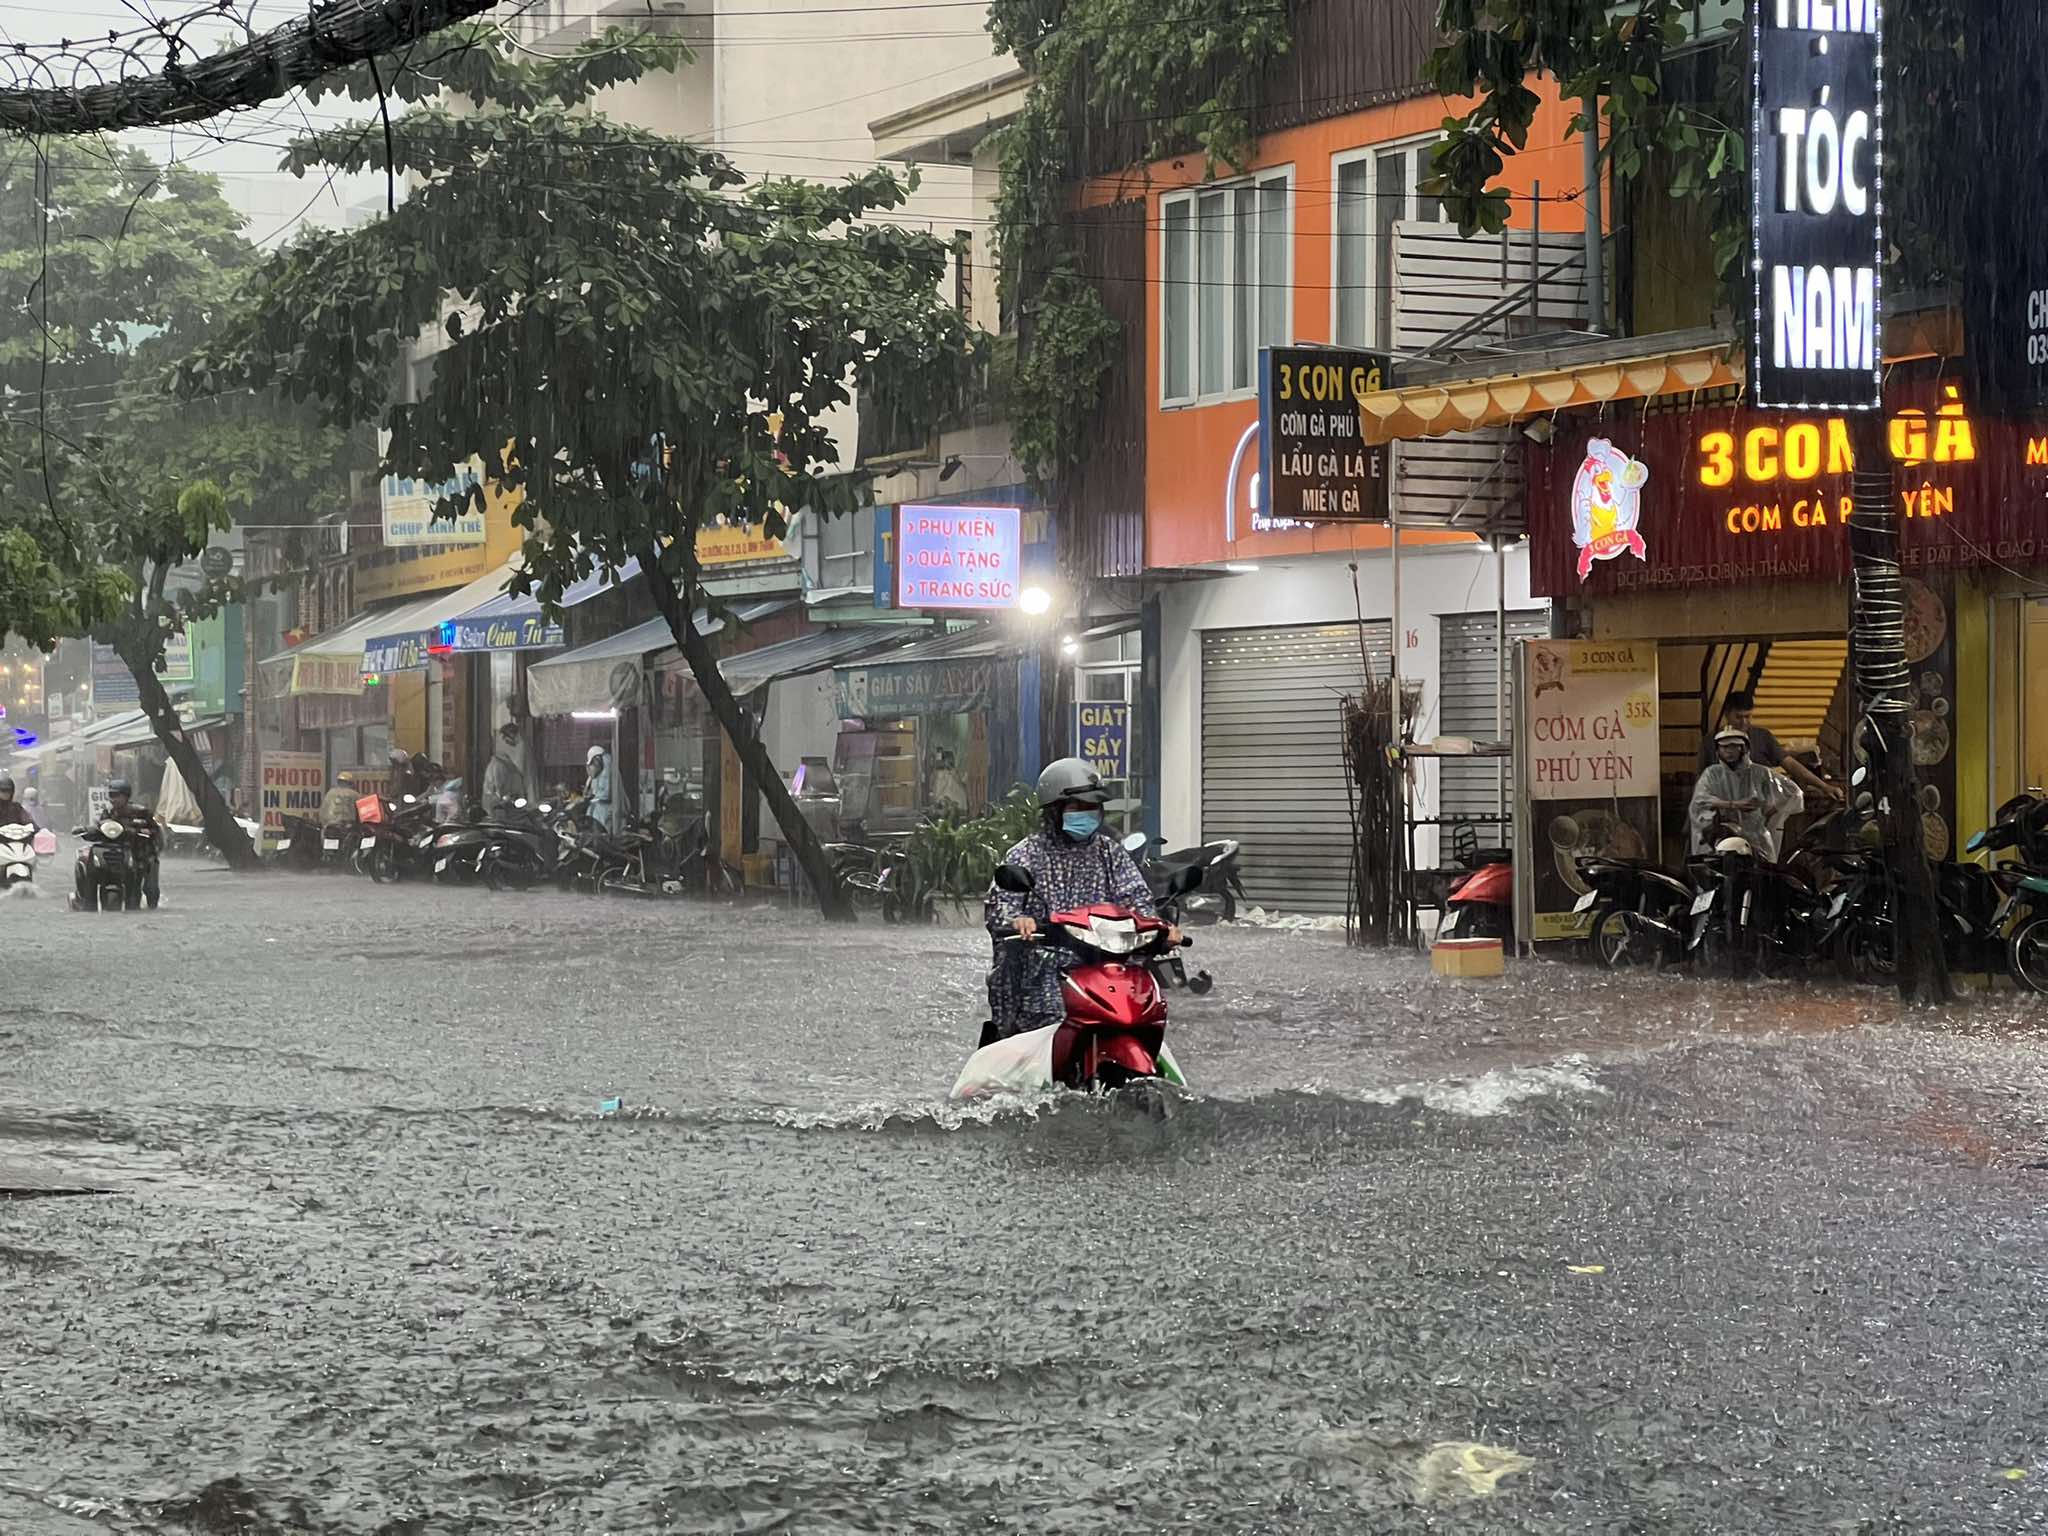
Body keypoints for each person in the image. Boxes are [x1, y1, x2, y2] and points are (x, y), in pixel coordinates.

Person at [982, 757, 1178, 1040]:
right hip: (1044, 974)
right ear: (1054, 810)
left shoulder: (1109, 854)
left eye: (1093, 807)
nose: (1087, 814)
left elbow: (1136, 899)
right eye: (1078, 807)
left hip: (1104, 967)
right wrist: (1018, 921)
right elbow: (1002, 904)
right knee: (1039, 1032)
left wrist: (1159, 927)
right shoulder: (1026, 855)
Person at [1698, 689, 1839, 802]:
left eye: (1748, 717)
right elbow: (1702, 781)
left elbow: (1790, 764)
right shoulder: (1710, 741)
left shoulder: (1762, 737)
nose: (1744, 722)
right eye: (1739, 717)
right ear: (1727, 715)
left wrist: (1824, 786)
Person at [1690, 729, 1776, 855]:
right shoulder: (1712, 773)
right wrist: (1733, 804)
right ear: (1717, 750)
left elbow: (1771, 806)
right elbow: (1700, 800)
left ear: (1744, 748)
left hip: (1754, 834)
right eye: (1724, 747)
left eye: (1734, 746)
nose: (1729, 751)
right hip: (1720, 834)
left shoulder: (1760, 773)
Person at [87, 777, 161, 909]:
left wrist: (141, 832)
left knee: (150, 889)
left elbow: (155, 831)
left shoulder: (141, 812)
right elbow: (101, 829)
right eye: (110, 795)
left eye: (116, 795)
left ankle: (151, 908)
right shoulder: (108, 813)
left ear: (126, 796)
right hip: (121, 855)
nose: (113, 799)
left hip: (143, 855)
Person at [483, 722, 528, 809]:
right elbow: (495, 791)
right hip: (501, 809)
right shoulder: (498, 765)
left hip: (516, 807)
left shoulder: (513, 765)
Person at [584, 744, 614, 833]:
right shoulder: (597, 774)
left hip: (603, 808)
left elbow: (606, 793)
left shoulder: (607, 767)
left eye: (593, 763)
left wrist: (593, 797)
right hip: (597, 808)